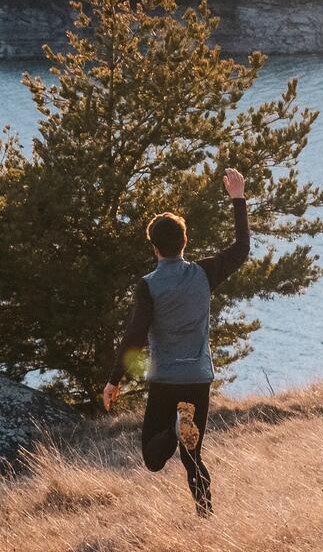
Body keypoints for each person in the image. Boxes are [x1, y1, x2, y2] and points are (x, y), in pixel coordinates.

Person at [103, 168, 250, 516]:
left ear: (154, 247)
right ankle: (206, 516)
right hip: (198, 378)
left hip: (167, 381)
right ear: (185, 242)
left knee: (154, 459)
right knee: (192, 455)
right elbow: (241, 249)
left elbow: (135, 335)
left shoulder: (148, 285)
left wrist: (114, 379)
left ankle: (173, 427)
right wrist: (238, 199)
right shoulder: (204, 273)